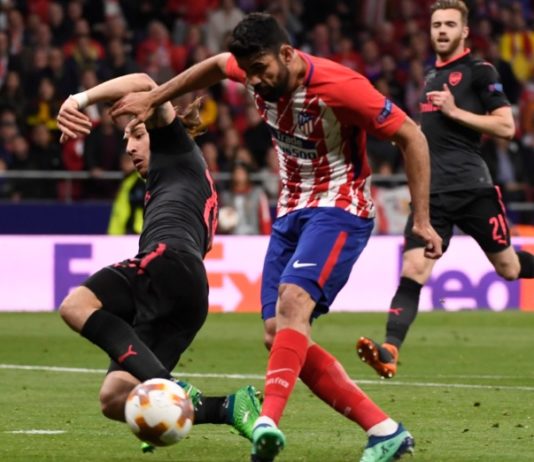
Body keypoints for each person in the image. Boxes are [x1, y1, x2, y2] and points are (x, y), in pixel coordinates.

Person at [109, 13, 443, 462]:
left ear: (287, 54)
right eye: (248, 72)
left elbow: (411, 136)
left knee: (293, 304)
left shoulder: (342, 87)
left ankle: (266, 420)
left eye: (260, 70)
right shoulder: (255, 70)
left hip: (339, 207)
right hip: (290, 213)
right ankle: (385, 431)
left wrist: (422, 219)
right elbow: (217, 64)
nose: (253, 81)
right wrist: (157, 96)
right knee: (278, 333)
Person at [55, 72, 261, 451]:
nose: (130, 148)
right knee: (116, 398)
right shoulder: (180, 178)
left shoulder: (176, 150)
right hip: (188, 294)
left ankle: (172, 390)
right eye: (126, 141)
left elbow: (145, 82)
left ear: (158, 130)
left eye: (137, 135)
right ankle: (228, 408)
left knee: (75, 306)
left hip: (168, 262)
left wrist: (79, 99)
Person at [356, 0, 534, 380]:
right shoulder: (428, 76)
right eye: (437, 24)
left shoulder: (480, 72)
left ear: (464, 31)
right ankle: (389, 350)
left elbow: (506, 126)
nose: (441, 30)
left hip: (472, 189)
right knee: (413, 269)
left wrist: (455, 112)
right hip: (431, 195)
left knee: (509, 268)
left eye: (450, 24)